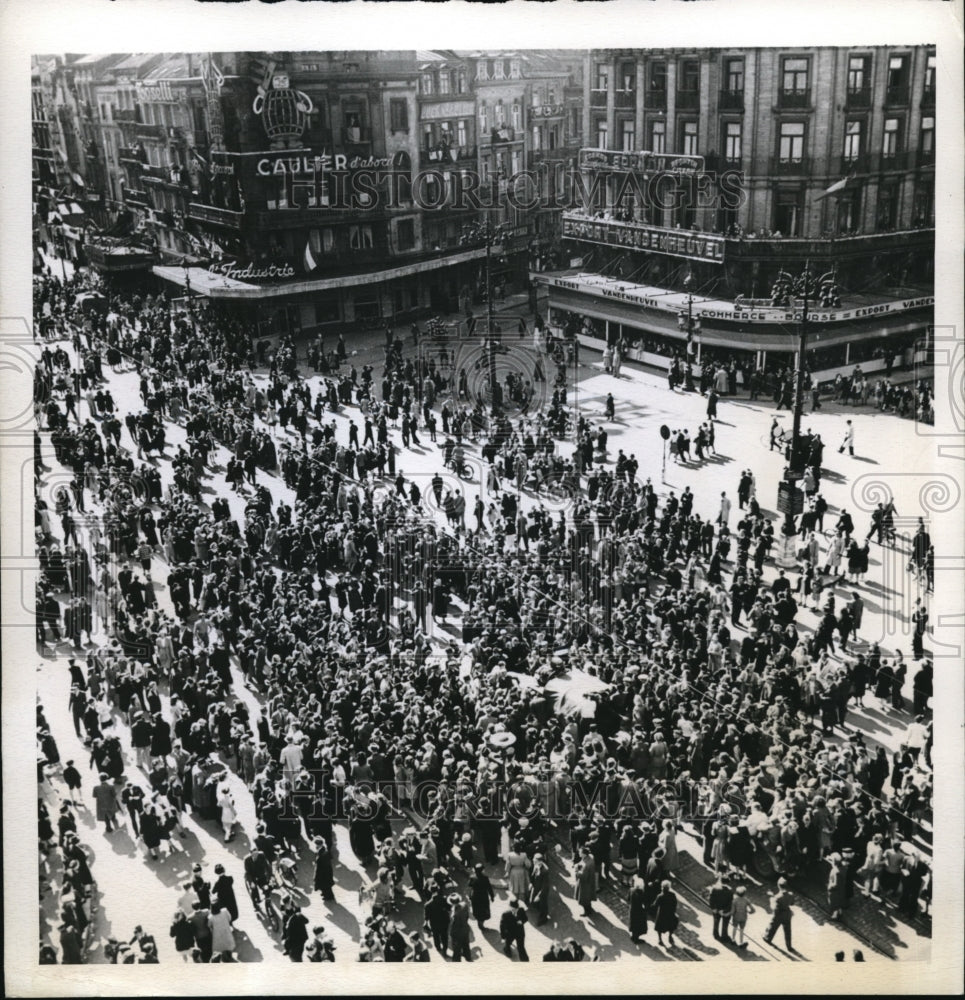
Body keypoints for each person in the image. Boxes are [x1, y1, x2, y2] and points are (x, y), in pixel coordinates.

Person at [763, 878, 795, 951]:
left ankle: (767, 938)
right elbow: (792, 903)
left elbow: (774, 908)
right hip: (787, 914)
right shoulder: (791, 894)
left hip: (779, 915)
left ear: (779, 886)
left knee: (773, 927)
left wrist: (771, 899)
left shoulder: (777, 897)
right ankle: (789, 946)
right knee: (788, 931)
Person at [654, 880, 679, 948]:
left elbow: (655, 905)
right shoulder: (672, 895)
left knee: (659, 927)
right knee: (671, 926)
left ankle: (660, 939)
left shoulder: (660, 896)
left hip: (662, 914)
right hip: (670, 913)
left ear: (662, 887)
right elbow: (675, 904)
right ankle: (670, 936)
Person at [730, 884, 754, 949]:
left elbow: (732, 911)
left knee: (734, 928)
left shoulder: (734, 901)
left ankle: (733, 939)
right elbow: (753, 909)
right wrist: (749, 912)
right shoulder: (746, 900)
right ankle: (741, 942)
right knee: (741, 930)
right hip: (743, 917)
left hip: (736, 917)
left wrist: (729, 914)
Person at [628, 874, 648, 944]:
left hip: (632, 909)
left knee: (633, 923)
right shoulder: (641, 893)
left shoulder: (631, 890)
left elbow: (628, 898)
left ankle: (633, 936)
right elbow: (644, 902)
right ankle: (636, 939)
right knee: (638, 925)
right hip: (639, 911)